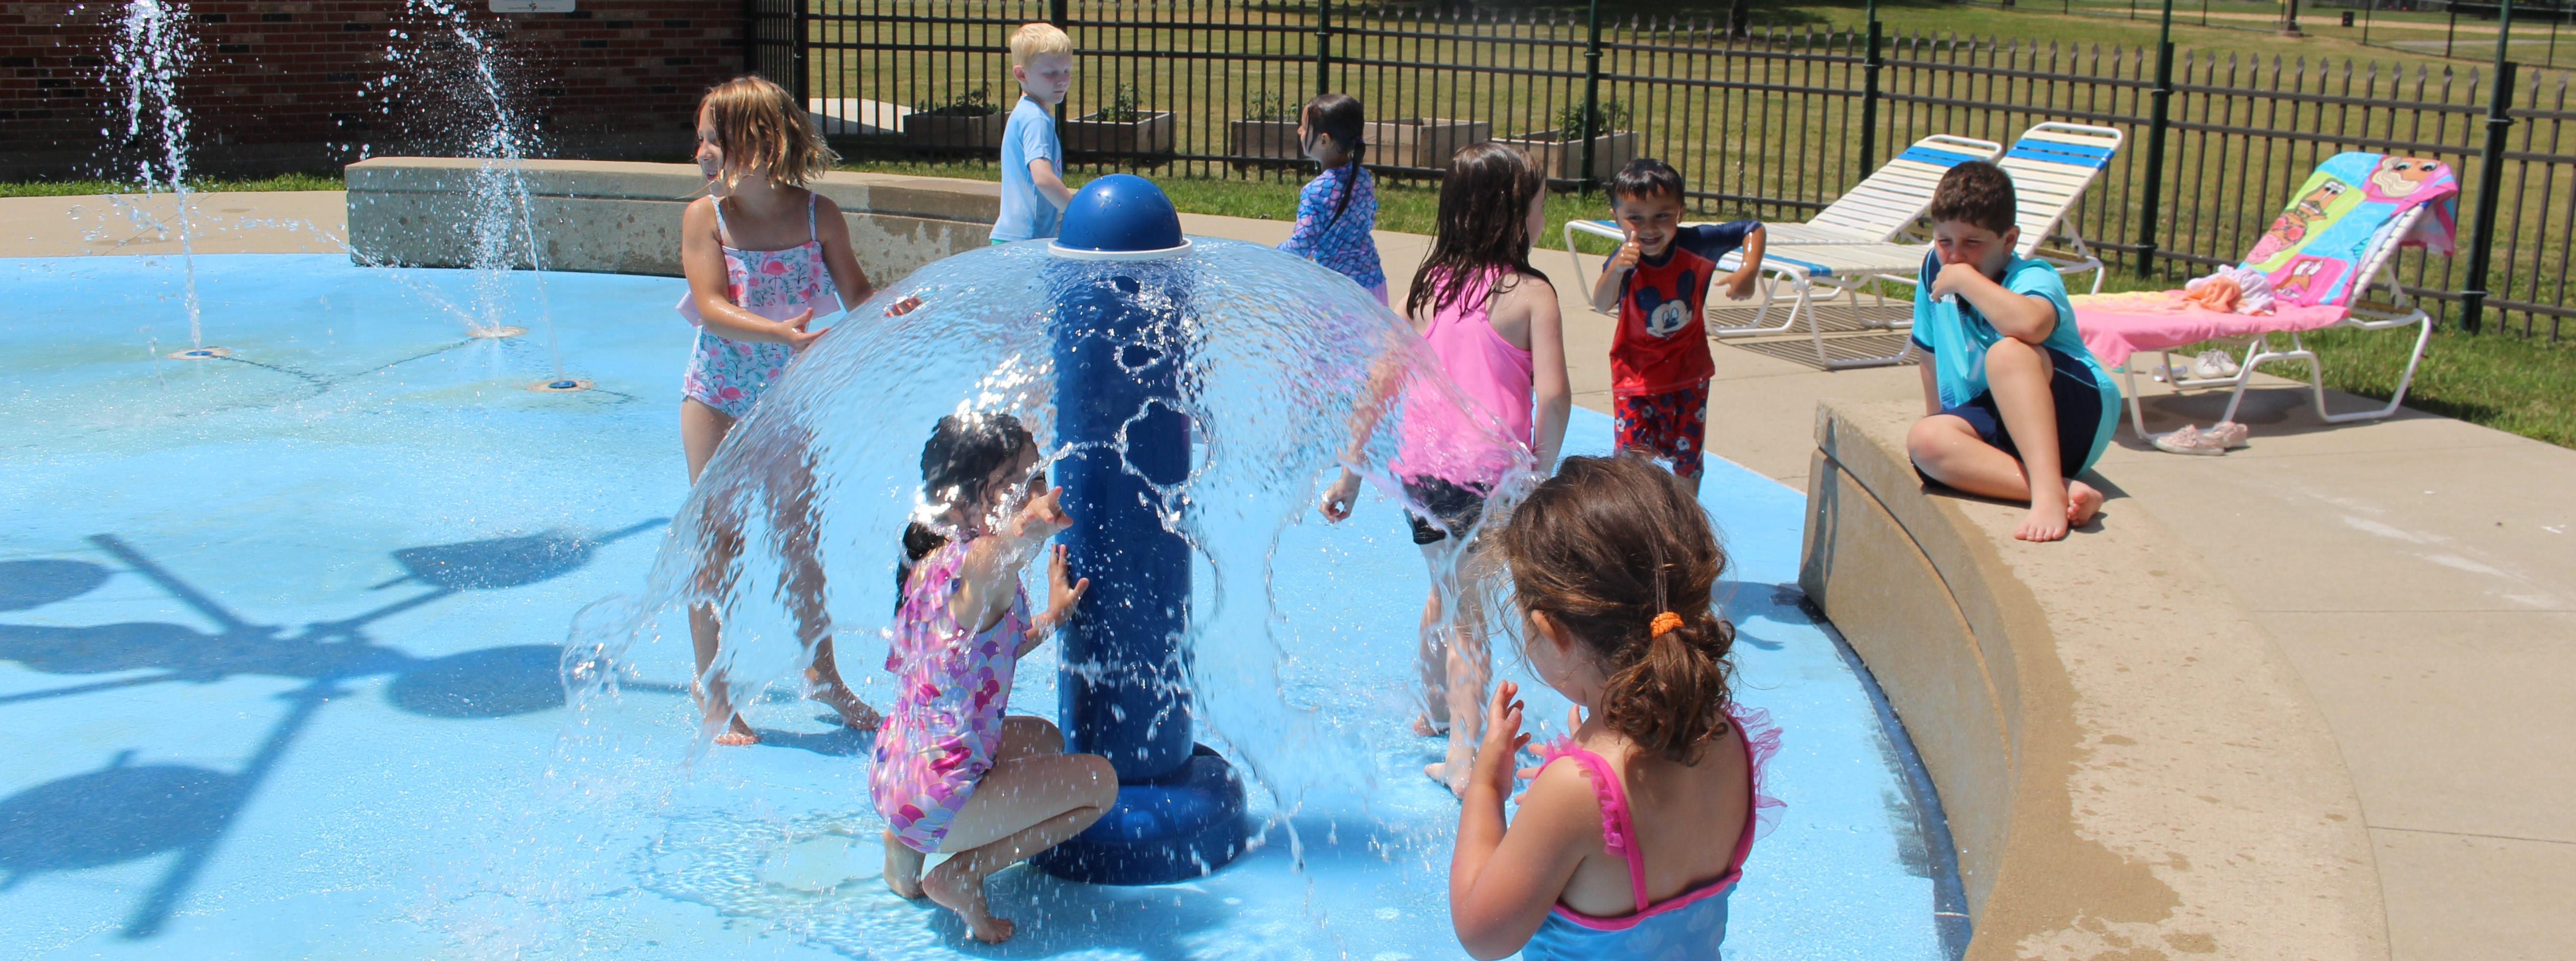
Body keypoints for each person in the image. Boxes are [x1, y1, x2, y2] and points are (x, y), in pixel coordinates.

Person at [1447, 454, 1780, 961]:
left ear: (1554, 632)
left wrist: (1486, 787)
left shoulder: (1574, 794)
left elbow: (1482, 933)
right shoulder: (1724, 738)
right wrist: (1588, 762)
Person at [1320, 142, 1571, 797]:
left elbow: (1381, 378)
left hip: (1423, 479)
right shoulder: (1532, 293)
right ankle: (1467, 756)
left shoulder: (1427, 287)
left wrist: (1349, 472)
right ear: (1514, 215)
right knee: (1481, 612)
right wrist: (1541, 469)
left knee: (1451, 590)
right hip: (1491, 482)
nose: (1544, 218)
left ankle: (1434, 711)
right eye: (1540, 207)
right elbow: (1555, 395)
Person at [678, 74, 915, 745]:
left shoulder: (818, 216)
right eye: (698, 139)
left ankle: (824, 675)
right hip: (718, 400)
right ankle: (714, 688)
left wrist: (899, 305)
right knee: (715, 543)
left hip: (787, 405)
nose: (700, 152)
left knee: (799, 542)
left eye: (711, 139)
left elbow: (859, 291)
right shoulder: (708, 217)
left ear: (756, 142)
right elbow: (714, 305)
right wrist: (782, 333)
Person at [874, 413, 1116, 944]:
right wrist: (1023, 528)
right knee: (1101, 783)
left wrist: (1051, 616)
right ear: (961, 501)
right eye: (1022, 480)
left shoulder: (931, 556)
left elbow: (986, 651)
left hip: (902, 774)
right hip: (944, 796)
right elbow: (994, 556)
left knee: (1048, 742)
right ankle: (962, 871)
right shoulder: (983, 560)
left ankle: (903, 856)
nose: (1040, 489)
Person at [1902, 160, 2118, 542]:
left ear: (2009, 240)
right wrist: (1942, 423)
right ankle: (2062, 488)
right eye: (1944, 241)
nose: (1955, 256)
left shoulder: (2032, 276)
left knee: (2009, 352)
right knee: (1926, 441)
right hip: (2005, 424)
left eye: (1972, 243)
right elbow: (1929, 355)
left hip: (2075, 412)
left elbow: (2031, 326)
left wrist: (1968, 282)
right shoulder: (1933, 270)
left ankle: (2048, 494)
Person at [1588, 158, 1767, 494]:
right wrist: (1614, 271)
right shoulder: (1624, 259)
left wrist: (1749, 270)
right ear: (1616, 217)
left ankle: (1687, 527)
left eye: (1662, 216)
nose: (1650, 228)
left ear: (1681, 213)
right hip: (1635, 380)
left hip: (1689, 375)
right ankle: (1634, 527)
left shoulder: (1697, 244)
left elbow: (1752, 228)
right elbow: (1601, 303)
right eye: (1636, 218)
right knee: (1631, 467)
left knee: (1687, 460)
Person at [1277, 92, 1387, 304]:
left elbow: (1301, 245)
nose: (1299, 131)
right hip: (1373, 284)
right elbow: (1368, 220)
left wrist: (1272, 254)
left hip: (1338, 293)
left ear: (1324, 140)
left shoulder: (1316, 190)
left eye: (1304, 126)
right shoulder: (1363, 178)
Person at [992, 23, 1076, 244]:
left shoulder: (1027, 112)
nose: (1062, 80)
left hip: (1014, 237)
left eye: (1067, 70)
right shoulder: (1035, 119)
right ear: (1022, 74)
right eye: (1051, 73)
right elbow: (1043, 178)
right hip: (1026, 240)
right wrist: (1079, 211)